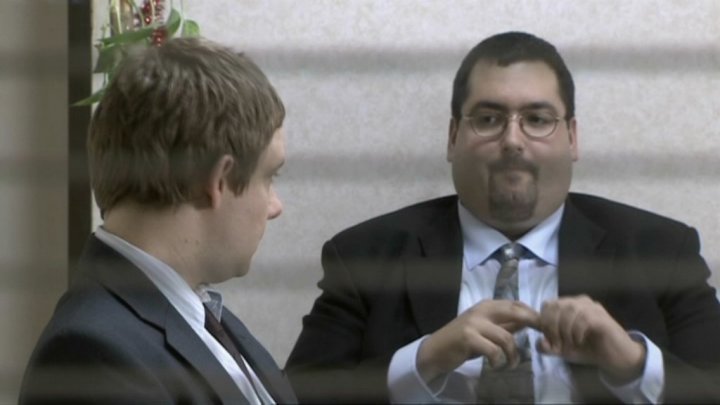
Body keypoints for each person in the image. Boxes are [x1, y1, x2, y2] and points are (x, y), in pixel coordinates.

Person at [286, 31, 720, 403]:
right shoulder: (364, 255)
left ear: (572, 138)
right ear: (453, 137)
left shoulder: (662, 251)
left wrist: (633, 364)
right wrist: (424, 360)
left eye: (537, 119)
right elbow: (293, 397)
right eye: (489, 118)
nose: (513, 139)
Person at [20, 37, 296, 404]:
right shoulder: (92, 355)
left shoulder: (202, 317)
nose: (275, 206)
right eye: (269, 177)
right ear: (219, 181)